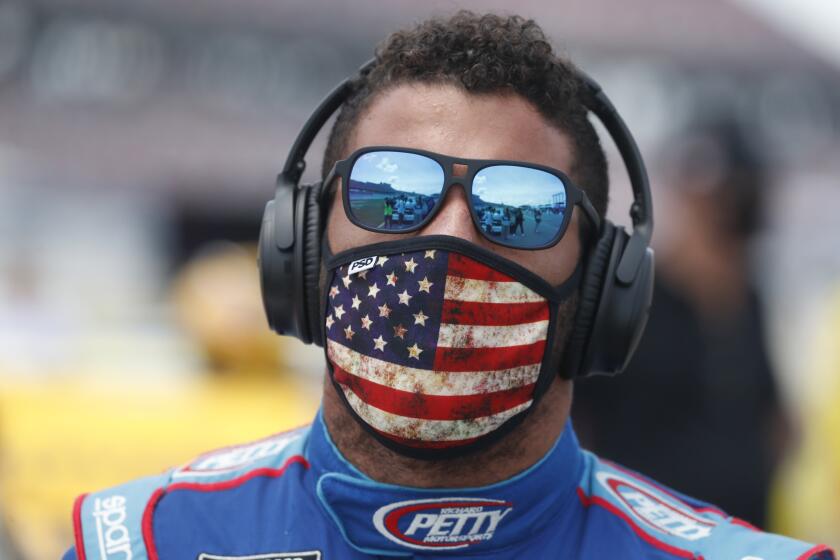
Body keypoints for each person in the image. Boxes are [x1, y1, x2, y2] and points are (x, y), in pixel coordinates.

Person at [64, 12, 833, 560]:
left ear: (604, 290)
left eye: (518, 210)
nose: (449, 237)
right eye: (391, 194)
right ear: (299, 246)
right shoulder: (143, 541)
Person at [574, 114, 789, 529]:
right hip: (640, 536)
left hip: (740, 536)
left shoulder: (750, 299)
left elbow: (774, 418)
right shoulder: (630, 300)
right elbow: (578, 419)